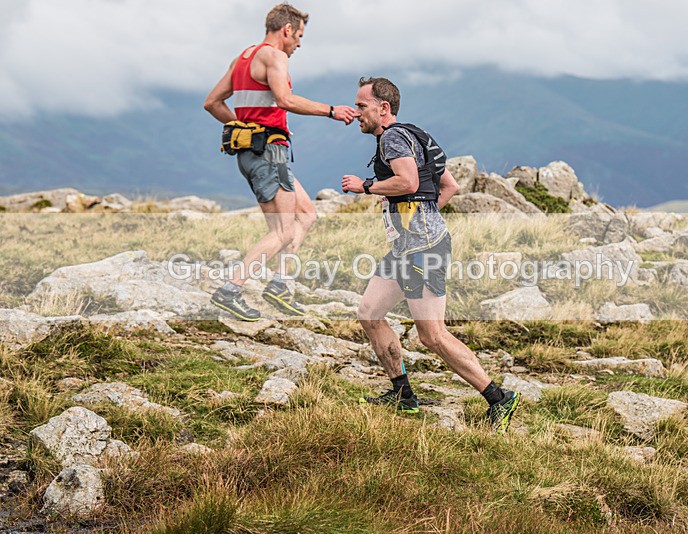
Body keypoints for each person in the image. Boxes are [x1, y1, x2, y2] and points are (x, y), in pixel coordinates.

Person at [341, 77, 521, 433]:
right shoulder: (416, 135)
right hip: (408, 245)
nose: (356, 112)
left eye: (362, 106)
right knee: (369, 313)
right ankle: (402, 394)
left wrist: (366, 186)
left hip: (422, 249)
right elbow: (448, 185)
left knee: (432, 336)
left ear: (384, 108)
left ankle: (499, 398)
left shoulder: (393, 138)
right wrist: (423, 213)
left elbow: (407, 183)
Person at [204, 3, 355, 320]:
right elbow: (285, 100)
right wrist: (331, 110)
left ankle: (280, 286)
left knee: (307, 214)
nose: (299, 43)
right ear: (287, 30)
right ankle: (230, 290)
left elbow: (212, 102)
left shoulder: (242, 59)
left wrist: (242, 127)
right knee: (284, 231)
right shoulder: (275, 56)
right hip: (269, 153)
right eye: (298, 35)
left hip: (254, 154)